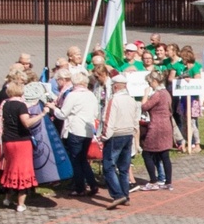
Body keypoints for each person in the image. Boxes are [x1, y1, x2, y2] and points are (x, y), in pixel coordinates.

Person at [0, 81, 49, 212]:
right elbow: (26, 123)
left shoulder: (6, 104)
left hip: (8, 141)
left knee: (11, 169)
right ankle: (20, 203)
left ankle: (7, 198)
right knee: (23, 171)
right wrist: (42, 114)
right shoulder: (20, 105)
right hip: (21, 142)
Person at [53, 70, 99, 197]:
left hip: (75, 129)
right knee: (83, 158)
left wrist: (53, 108)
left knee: (76, 160)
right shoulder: (91, 95)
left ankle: (80, 187)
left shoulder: (72, 95)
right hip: (88, 130)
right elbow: (96, 113)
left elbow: (62, 114)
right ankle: (92, 183)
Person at [101, 74, 141, 209]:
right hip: (128, 133)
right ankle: (125, 195)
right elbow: (136, 119)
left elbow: (109, 120)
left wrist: (104, 137)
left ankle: (118, 195)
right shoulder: (131, 100)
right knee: (124, 167)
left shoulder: (114, 100)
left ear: (115, 86)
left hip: (115, 135)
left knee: (108, 166)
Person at [139, 71, 174, 191]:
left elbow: (144, 107)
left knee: (146, 153)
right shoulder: (166, 93)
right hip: (167, 126)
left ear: (154, 81)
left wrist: (145, 95)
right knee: (165, 155)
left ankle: (153, 181)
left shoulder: (157, 94)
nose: (149, 85)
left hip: (156, 127)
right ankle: (168, 181)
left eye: (149, 83)